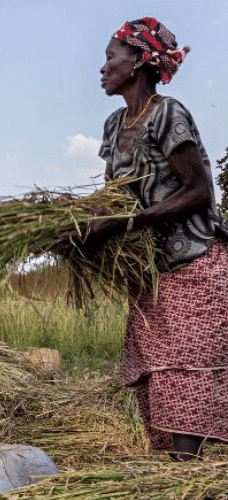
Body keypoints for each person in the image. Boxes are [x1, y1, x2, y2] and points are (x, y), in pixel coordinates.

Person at [82, 17, 228, 460]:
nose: (103, 67)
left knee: (188, 371)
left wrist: (128, 225)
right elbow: (113, 197)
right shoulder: (114, 124)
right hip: (152, 273)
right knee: (159, 375)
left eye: (111, 56)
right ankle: (178, 468)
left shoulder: (168, 113)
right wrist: (75, 225)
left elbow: (200, 191)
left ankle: (185, 477)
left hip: (195, 265)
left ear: (139, 61)